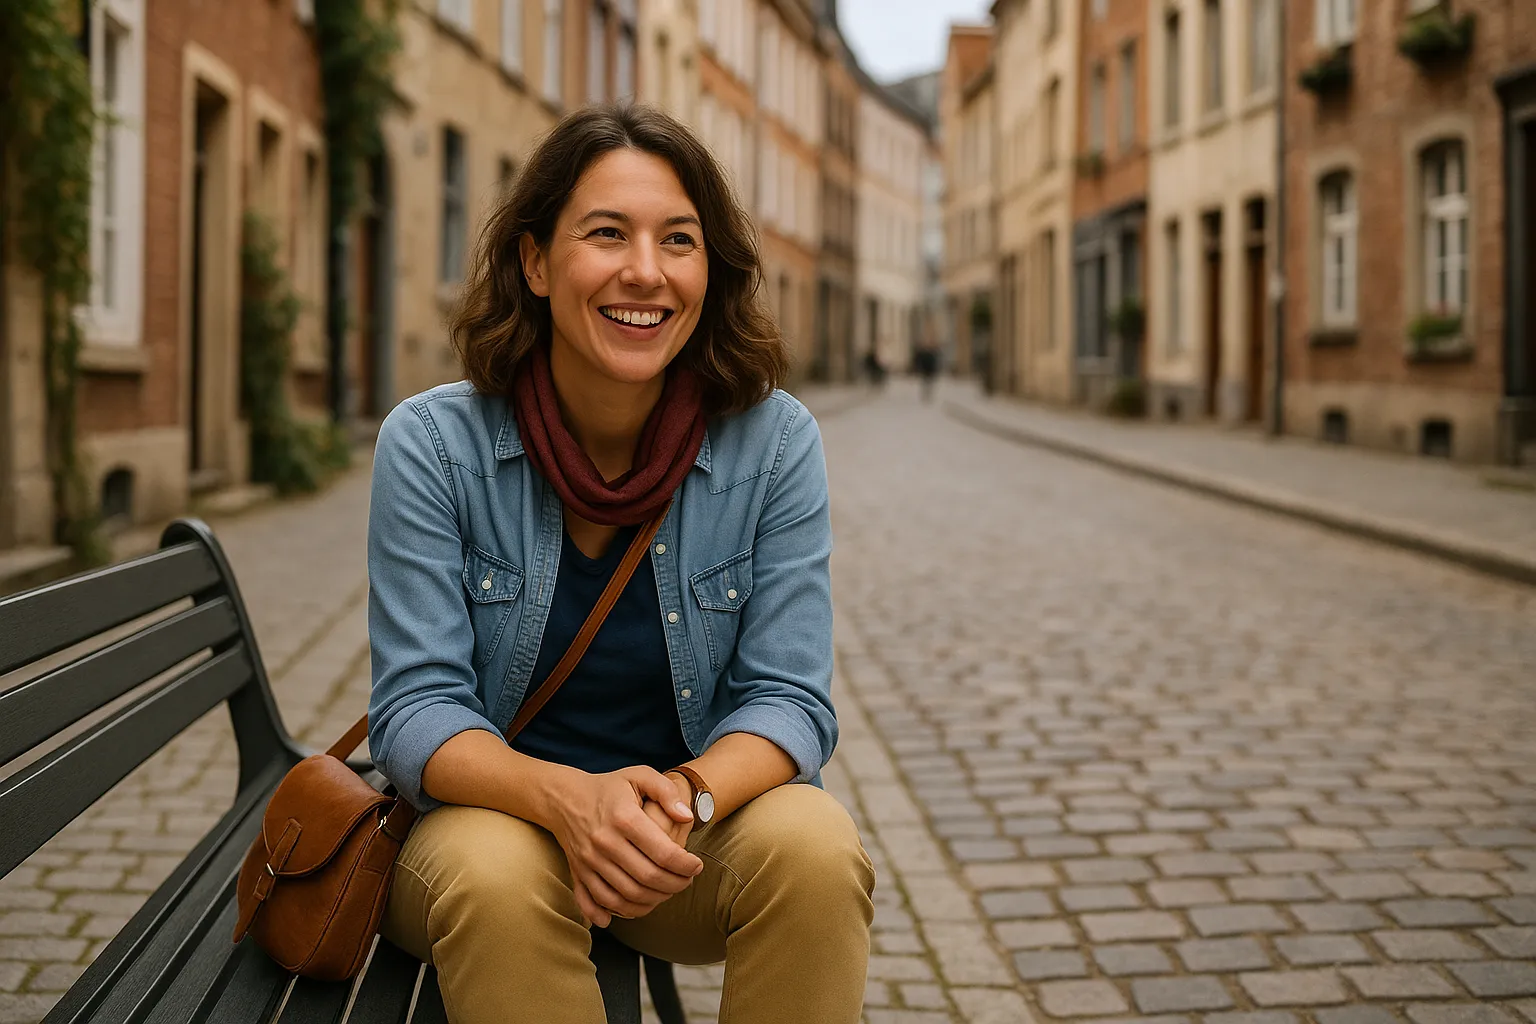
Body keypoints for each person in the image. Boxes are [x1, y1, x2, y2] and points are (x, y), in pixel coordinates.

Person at [365, 105, 875, 1024]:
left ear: (707, 269)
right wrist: (568, 803)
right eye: (607, 234)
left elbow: (791, 700)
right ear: (535, 262)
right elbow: (415, 710)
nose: (646, 271)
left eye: (678, 240)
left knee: (815, 845)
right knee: (491, 874)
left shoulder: (773, 443)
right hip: (490, 831)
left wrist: (682, 797)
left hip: (677, 841)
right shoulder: (434, 446)